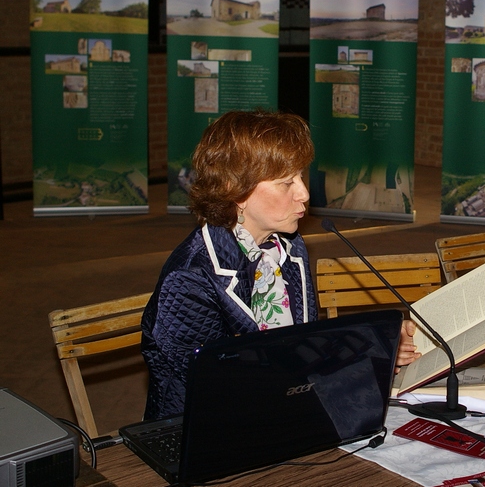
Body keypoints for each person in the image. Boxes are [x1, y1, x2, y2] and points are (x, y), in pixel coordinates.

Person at [141, 109, 420, 420]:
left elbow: (303, 347)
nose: (303, 193)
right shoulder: (190, 278)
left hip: (280, 412)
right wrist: (369, 353)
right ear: (237, 191)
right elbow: (221, 386)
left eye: (301, 176)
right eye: (286, 182)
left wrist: (384, 342)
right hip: (205, 431)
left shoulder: (286, 246)